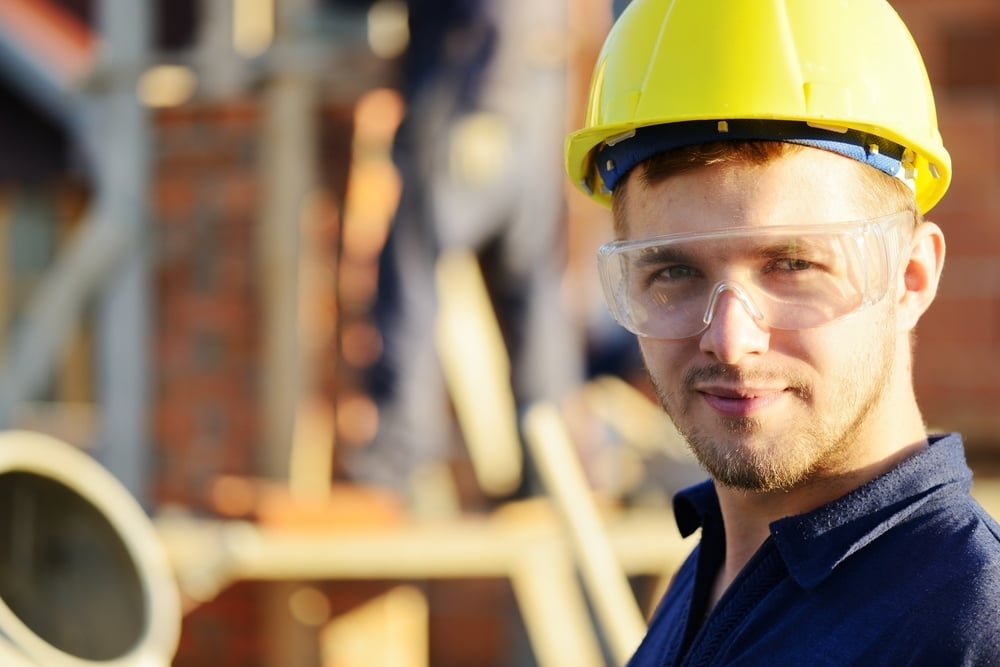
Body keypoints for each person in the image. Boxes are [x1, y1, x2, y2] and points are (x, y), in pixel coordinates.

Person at [565, 0, 1000, 664]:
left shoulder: (966, 629)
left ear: (911, 277)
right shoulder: (715, 576)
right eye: (674, 270)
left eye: (793, 266)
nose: (731, 340)